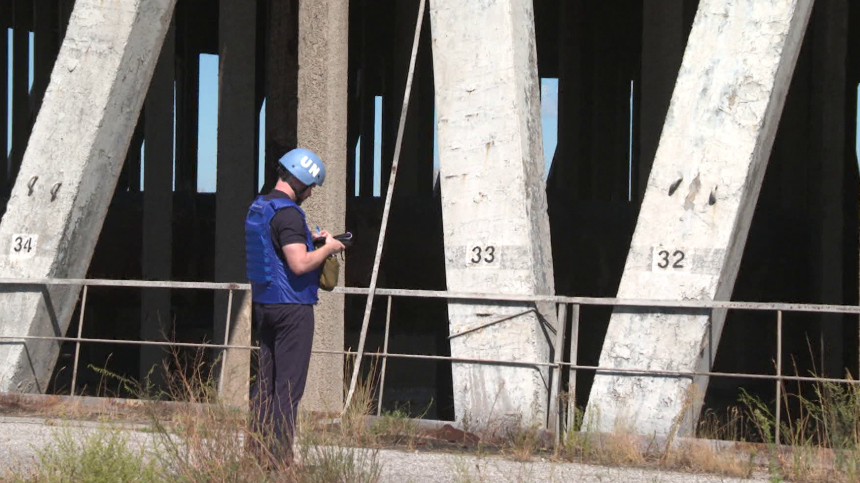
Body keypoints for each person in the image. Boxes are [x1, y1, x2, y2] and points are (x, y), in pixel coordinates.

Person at [245, 147, 345, 464]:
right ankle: (279, 461)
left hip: (265, 305)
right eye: (311, 186)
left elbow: (274, 254)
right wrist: (329, 247)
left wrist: (313, 242)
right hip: (292, 309)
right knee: (288, 389)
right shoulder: (288, 213)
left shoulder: (260, 206)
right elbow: (299, 264)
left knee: (265, 386)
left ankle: (256, 455)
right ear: (301, 180)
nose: (311, 193)